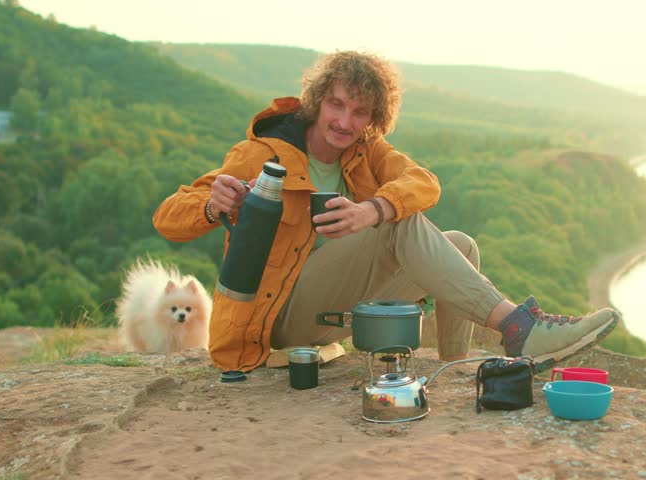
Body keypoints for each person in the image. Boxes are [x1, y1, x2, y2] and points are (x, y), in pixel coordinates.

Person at [153, 51, 619, 374]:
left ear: (373, 119)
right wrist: (214, 206)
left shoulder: (366, 151)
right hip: (275, 321)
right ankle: (519, 329)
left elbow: (424, 182)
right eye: (336, 104)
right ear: (317, 101)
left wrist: (371, 209)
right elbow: (169, 218)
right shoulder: (265, 153)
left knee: (460, 243)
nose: (344, 122)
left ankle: (453, 366)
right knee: (399, 225)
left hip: (336, 315)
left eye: (360, 112)